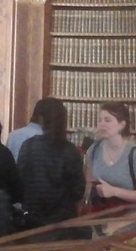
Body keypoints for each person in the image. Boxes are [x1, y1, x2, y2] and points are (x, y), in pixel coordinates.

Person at [17, 97, 86, 229]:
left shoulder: (28, 146)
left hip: (33, 221)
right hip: (63, 222)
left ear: (41, 119)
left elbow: (20, 182)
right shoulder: (70, 150)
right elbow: (78, 191)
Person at [84, 102, 136, 209]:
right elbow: (88, 185)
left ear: (122, 125)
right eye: (100, 120)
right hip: (100, 212)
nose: (102, 124)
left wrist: (115, 191)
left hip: (130, 214)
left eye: (107, 120)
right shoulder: (93, 150)